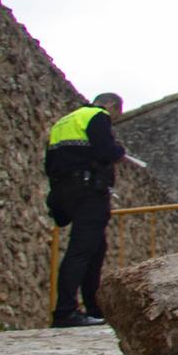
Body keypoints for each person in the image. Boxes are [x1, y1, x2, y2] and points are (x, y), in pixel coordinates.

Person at [45, 92, 134, 328]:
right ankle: (65, 311)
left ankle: (94, 308)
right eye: (116, 114)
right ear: (113, 106)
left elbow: (49, 163)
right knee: (81, 250)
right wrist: (119, 152)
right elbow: (107, 151)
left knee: (95, 248)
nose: (113, 118)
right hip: (88, 191)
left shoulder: (64, 121)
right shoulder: (97, 115)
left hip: (66, 191)